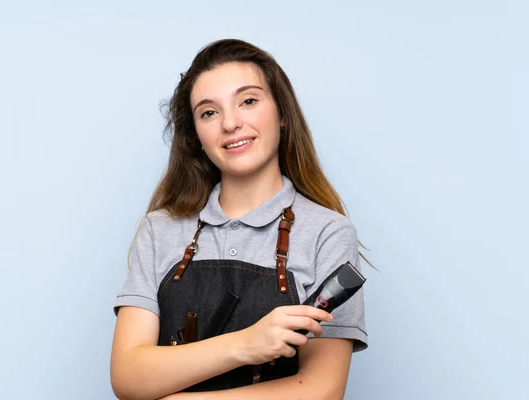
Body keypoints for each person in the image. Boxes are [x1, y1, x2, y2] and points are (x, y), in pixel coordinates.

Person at [110, 38, 369, 400]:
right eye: (208, 112)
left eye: (248, 101)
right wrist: (246, 344)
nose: (231, 123)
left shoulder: (327, 233)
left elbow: (320, 389)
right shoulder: (161, 228)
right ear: (196, 136)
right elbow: (127, 376)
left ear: (281, 114)